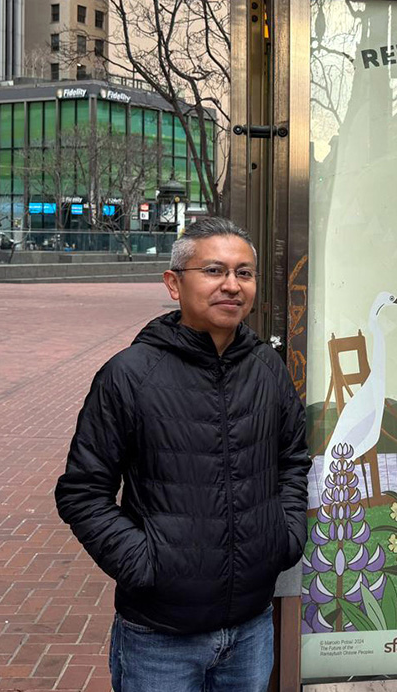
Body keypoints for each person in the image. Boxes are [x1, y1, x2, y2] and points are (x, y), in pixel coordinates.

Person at [54, 218, 309, 692]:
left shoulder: (267, 369)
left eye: (245, 273)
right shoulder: (129, 376)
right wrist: (145, 565)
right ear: (174, 283)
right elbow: (82, 493)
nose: (232, 285)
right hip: (160, 635)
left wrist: (286, 536)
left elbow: (293, 459)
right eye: (214, 271)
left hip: (251, 627)